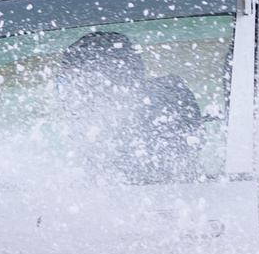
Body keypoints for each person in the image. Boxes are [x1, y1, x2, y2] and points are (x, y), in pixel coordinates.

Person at [53, 30, 205, 182]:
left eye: (69, 82)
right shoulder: (170, 116)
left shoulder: (120, 148)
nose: (66, 94)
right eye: (63, 82)